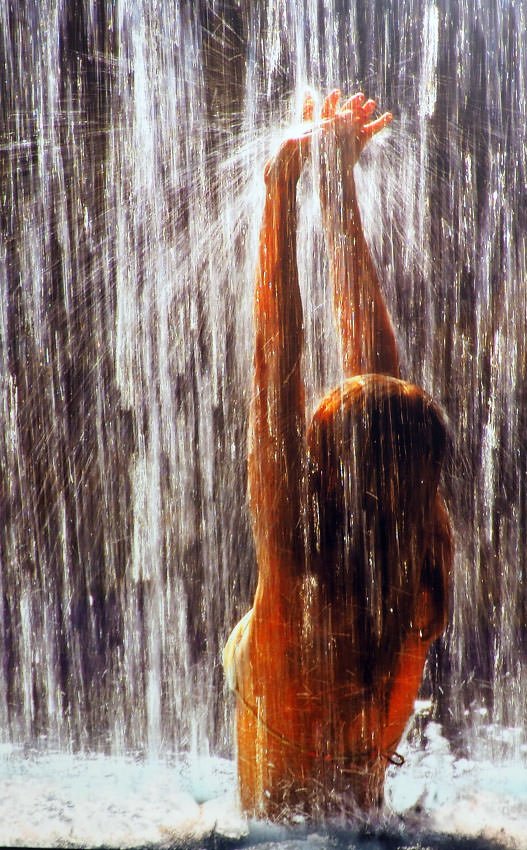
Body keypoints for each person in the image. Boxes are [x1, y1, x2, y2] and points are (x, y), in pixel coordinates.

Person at [223, 90, 453, 819]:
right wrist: (335, 187)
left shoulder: (297, 567)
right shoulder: (424, 563)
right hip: (370, 830)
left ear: (323, 466)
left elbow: (277, 357)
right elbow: (380, 390)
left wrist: (280, 189)